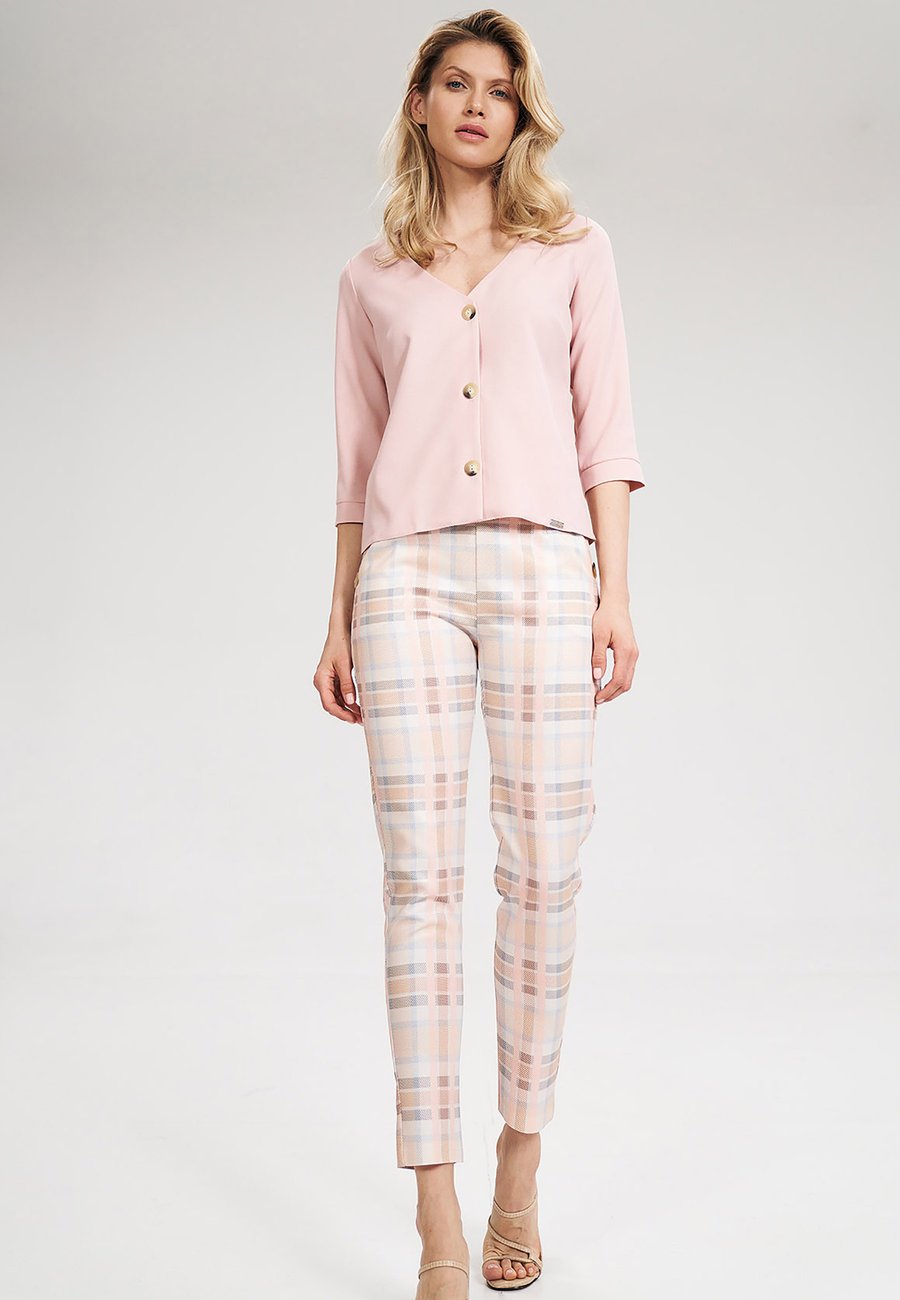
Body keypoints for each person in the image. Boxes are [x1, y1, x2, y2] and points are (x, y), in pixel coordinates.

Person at [313, 10, 647, 1296]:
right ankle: (436, 1208)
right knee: (421, 882)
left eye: (497, 91)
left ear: (519, 116)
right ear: (419, 103)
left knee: (547, 869)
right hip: (405, 578)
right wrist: (337, 612)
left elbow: (607, 430)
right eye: (453, 84)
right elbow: (354, 465)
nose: (474, 105)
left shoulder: (574, 249)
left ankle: (520, 1155)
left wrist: (617, 591)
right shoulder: (370, 278)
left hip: (546, 569)